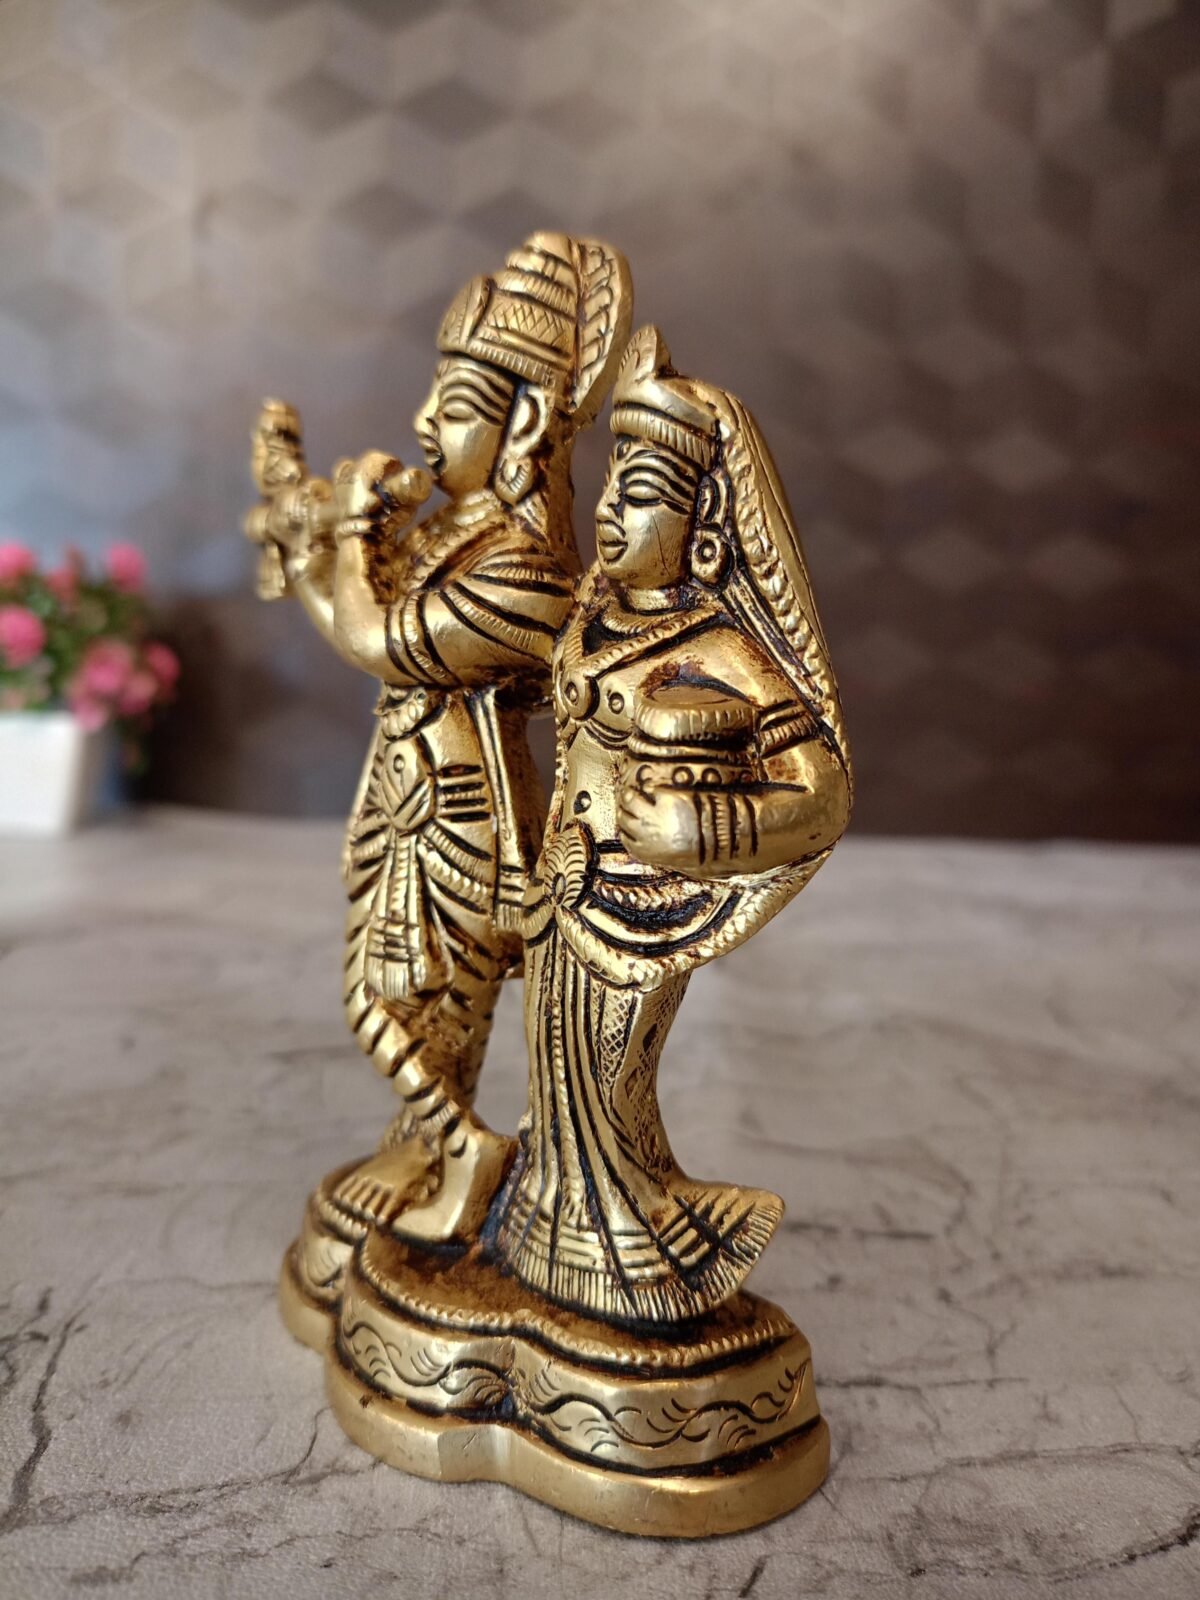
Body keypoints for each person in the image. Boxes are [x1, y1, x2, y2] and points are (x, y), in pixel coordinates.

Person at [250, 235, 631, 1289]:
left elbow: (382, 639)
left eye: (455, 406)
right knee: (403, 995)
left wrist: (349, 538)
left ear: (523, 427)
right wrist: (312, 538)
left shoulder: (523, 571)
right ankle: (427, 1143)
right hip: (404, 800)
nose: (424, 423)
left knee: (400, 998)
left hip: (465, 817)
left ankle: (467, 1150)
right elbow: (353, 616)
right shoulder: (448, 537)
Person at [482, 326, 851, 1325]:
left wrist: (702, 828)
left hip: (643, 905)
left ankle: (644, 1249)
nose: (610, 510)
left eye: (640, 493)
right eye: (611, 485)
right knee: (551, 1080)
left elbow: (819, 791)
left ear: (705, 532)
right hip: (561, 890)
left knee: (612, 1081)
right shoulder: (589, 617)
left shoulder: (725, 650)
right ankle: (555, 1237)